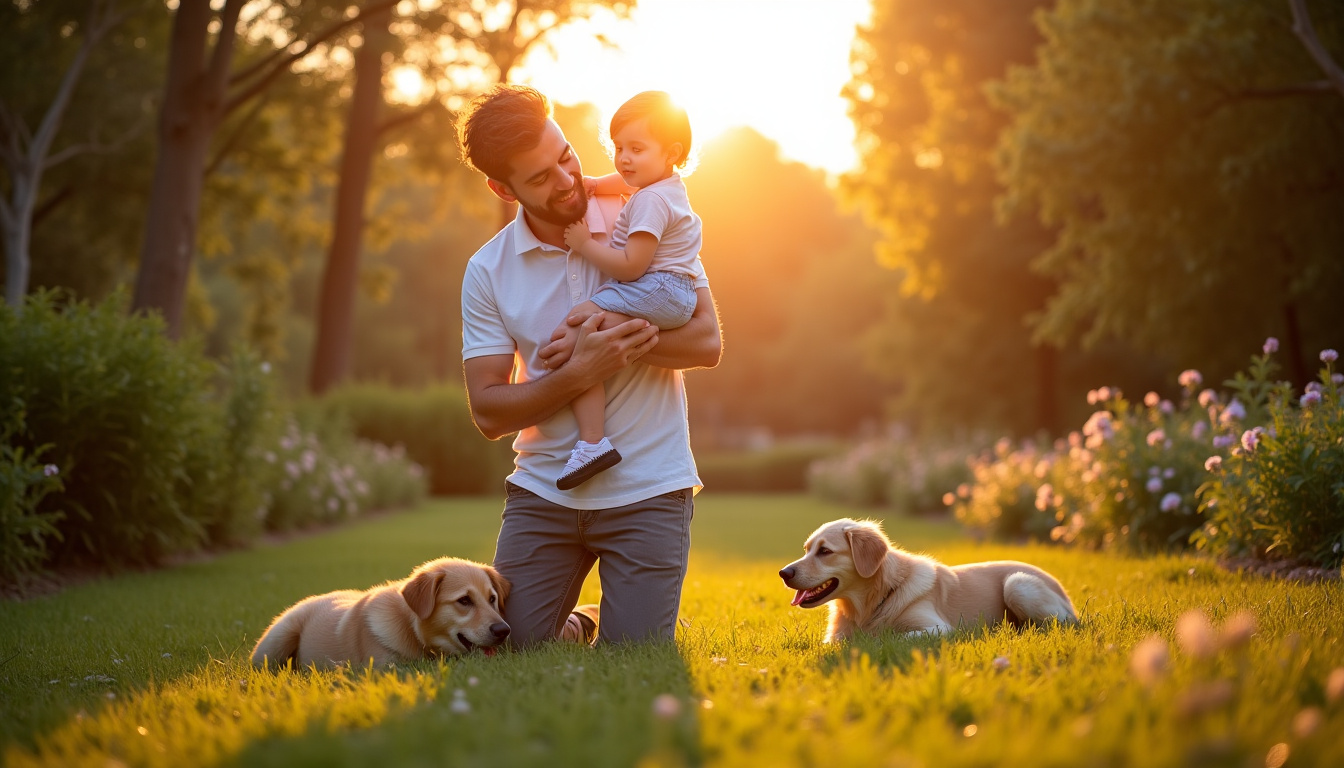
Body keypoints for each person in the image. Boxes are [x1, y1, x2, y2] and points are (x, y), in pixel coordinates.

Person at [453, 84, 722, 648]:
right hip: (543, 493)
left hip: (649, 488)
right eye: (541, 177)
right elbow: (486, 410)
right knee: (503, 652)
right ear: (503, 188)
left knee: (634, 658)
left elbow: (705, 341)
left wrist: (610, 345)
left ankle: (616, 617)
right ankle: (576, 624)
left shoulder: (646, 206)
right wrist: (578, 373)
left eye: (566, 155)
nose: (567, 179)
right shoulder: (489, 270)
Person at [554, 91, 703, 490]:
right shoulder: (666, 185)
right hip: (674, 291)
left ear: (671, 152)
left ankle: (591, 442)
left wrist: (585, 244)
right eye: (619, 147)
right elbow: (624, 180)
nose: (624, 158)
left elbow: (632, 265)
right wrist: (593, 185)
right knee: (585, 334)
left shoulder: (650, 201)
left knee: (581, 328)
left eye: (636, 148)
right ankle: (591, 440)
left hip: (658, 288)